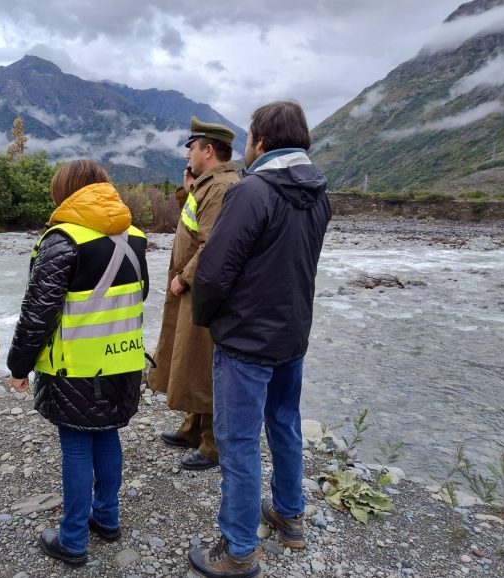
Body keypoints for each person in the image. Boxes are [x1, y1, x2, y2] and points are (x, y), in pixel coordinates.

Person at [188, 101, 331, 578]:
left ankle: (238, 549)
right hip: (292, 335)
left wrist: (208, 320)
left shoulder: (253, 191)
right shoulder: (318, 192)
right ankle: (290, 516)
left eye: (249, 137)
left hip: (246, 341)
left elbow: (213, 273)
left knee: (239, 441)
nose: (246, 146)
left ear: (262, 142)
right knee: (285, 424)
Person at [6, 160, 148, 566]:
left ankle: (71, 540)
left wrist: (19, 366)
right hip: (122, 362)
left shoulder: (62, 239)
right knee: (107, 435)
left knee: (75, 445)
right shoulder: (135, 237)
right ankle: (107, 519)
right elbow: (139, 294)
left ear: (64, 190)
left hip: (75, 367)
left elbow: (38, 312)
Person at [148, 116, 239, 471]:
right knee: (188, 357)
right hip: (192, 288)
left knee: (203, 362)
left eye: (192, 148)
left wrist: (185, 278)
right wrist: (188, 189)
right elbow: (193, 222)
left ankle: (212, 445)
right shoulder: (208, 184)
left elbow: (212, 244)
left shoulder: (222, 187)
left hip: (202, 289)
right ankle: (191, 428)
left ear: (209, 150)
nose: (188, 154)